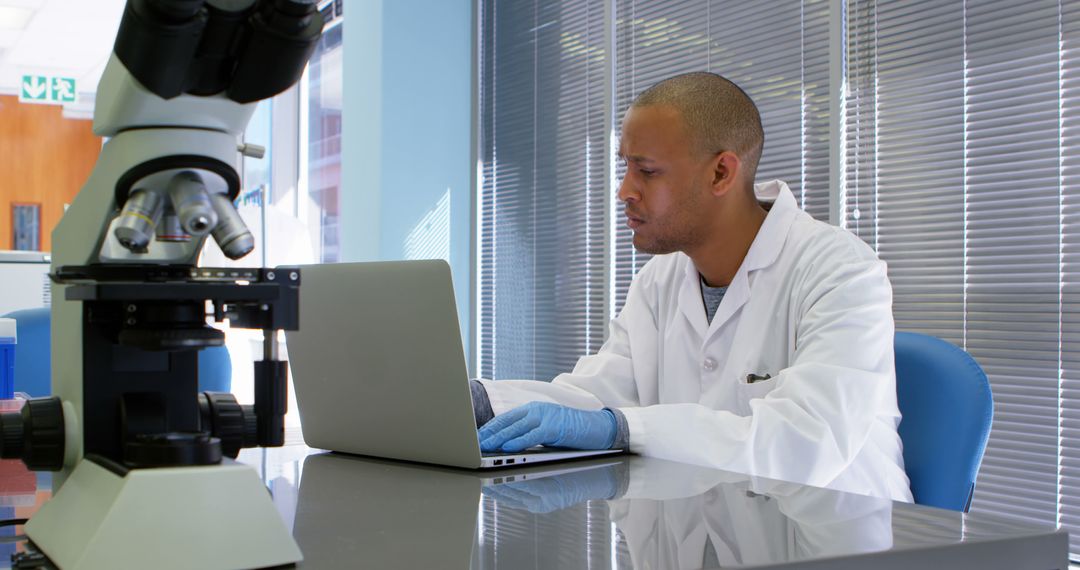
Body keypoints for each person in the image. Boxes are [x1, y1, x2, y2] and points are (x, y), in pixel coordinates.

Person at [473, 72, 912, 502]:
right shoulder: (659, 282)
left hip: (835, 537)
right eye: (626, 167)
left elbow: (807, 441)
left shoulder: (841, 271)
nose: (625, 190)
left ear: (721, 173)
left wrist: (623, 429)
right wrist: (476, 403)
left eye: (646, 171)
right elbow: (596, 397)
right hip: (704, 525)